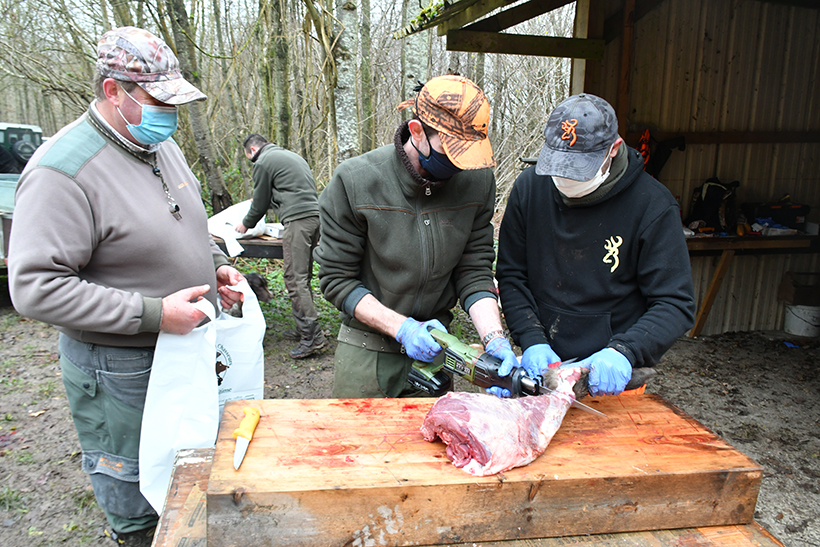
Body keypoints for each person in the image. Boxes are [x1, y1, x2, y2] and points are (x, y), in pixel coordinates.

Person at [8, 27, 245, 546]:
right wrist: (155, 314)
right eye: (158, 100)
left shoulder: (159, 144)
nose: (171, 114)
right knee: (139, 497)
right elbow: (35, 287)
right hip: (120, 372)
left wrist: (214, 266)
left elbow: (182, 223)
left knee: (187, 477)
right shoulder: (63, 171)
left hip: (183, 353)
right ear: (113, 91)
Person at [315, 75, 518, 398]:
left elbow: (474, 270)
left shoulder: (477, 182)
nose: (459, 165)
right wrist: (403, 329)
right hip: (368, 351)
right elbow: (337, 280)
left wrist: (493, 337)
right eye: (450, 151)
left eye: (468, 155)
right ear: (417, 131)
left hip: (437, 352)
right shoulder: (356, 180)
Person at [496, 93, 696, 396]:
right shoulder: (530, 189)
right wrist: (531, 337)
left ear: (613, 150)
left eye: (578, 169)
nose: (564, 178)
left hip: (609, 376)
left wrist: (626, 350)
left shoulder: (652, 206)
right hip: (539, 368)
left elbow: (675, 304)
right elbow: (512, 275)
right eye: (559, 166)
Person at [235, 134, 325, 358]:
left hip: (299, 220)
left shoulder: (264, 162)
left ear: (253, 149)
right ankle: (303, 328)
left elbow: (260, 201)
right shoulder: (290, 156)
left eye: (249, 157)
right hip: (315, 217)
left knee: (295, 278)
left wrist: (245, 224)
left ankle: (313, 336)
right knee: (301, 277)